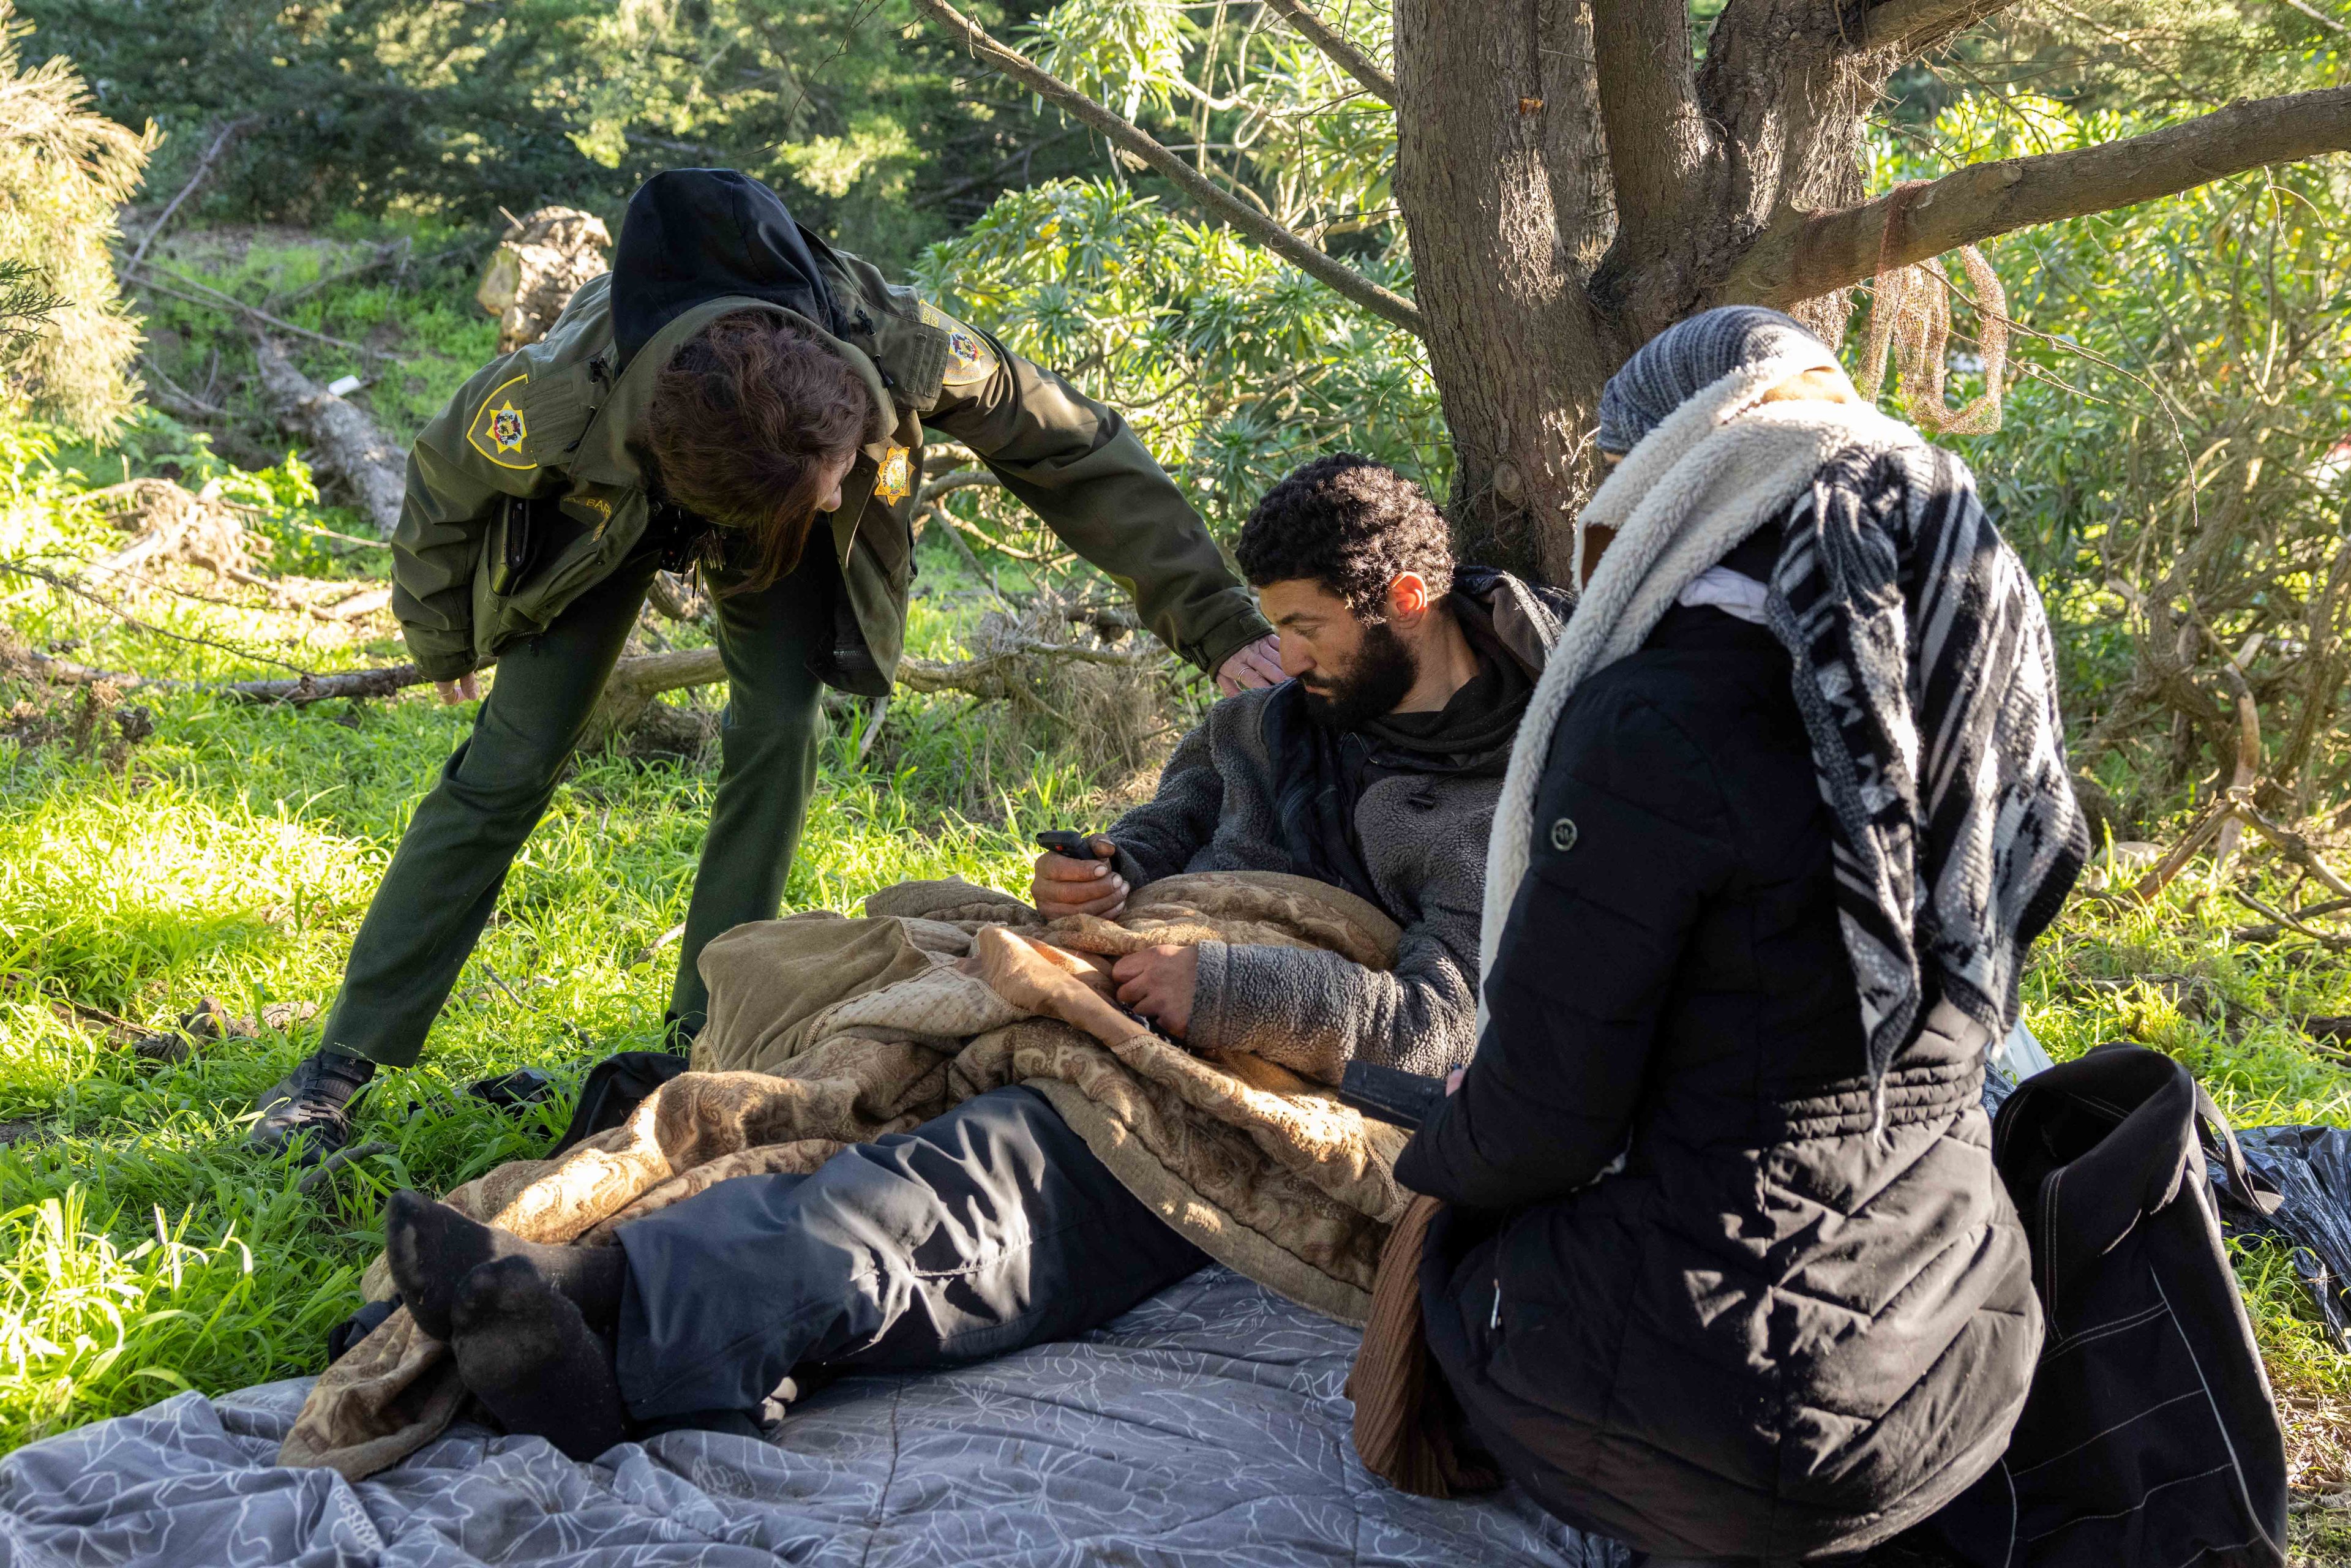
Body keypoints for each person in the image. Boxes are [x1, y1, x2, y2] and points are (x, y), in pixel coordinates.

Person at [374, 455, 1563, 1455]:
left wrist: (1227, 988)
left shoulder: (1504, 804)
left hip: (1250, 1065)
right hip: (1124, 969)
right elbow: (1186, 815)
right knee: (848, 1004)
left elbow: (1448, 1026)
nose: (1279, 654)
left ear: (1406, 597)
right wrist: (1114, 873)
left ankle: (613, 1312)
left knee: (1007, 1166)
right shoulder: (1280, 710)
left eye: (1304, 628)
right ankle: (595, 1231)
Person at [250, 168, 1285, 1163]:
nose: (845, 503)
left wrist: (1220, 622)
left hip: (774, 476)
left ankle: (705, 1035)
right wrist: (440, 635)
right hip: (613, 496)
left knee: (778, 726)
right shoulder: (561, 399)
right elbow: (441, 480)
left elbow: (1072, 446)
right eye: (831, 490)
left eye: (844, 479)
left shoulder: (894, 347)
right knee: (507, 764)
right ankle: (344, 1060)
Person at [1397, 309, 2087, 1564]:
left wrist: (1429, 1153)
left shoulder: (1660, 717)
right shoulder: (1958, 679)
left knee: (1450, 1243)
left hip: (1719, 1410)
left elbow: (1546, 1116)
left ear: (1674, 480)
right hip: (1962, 1351)